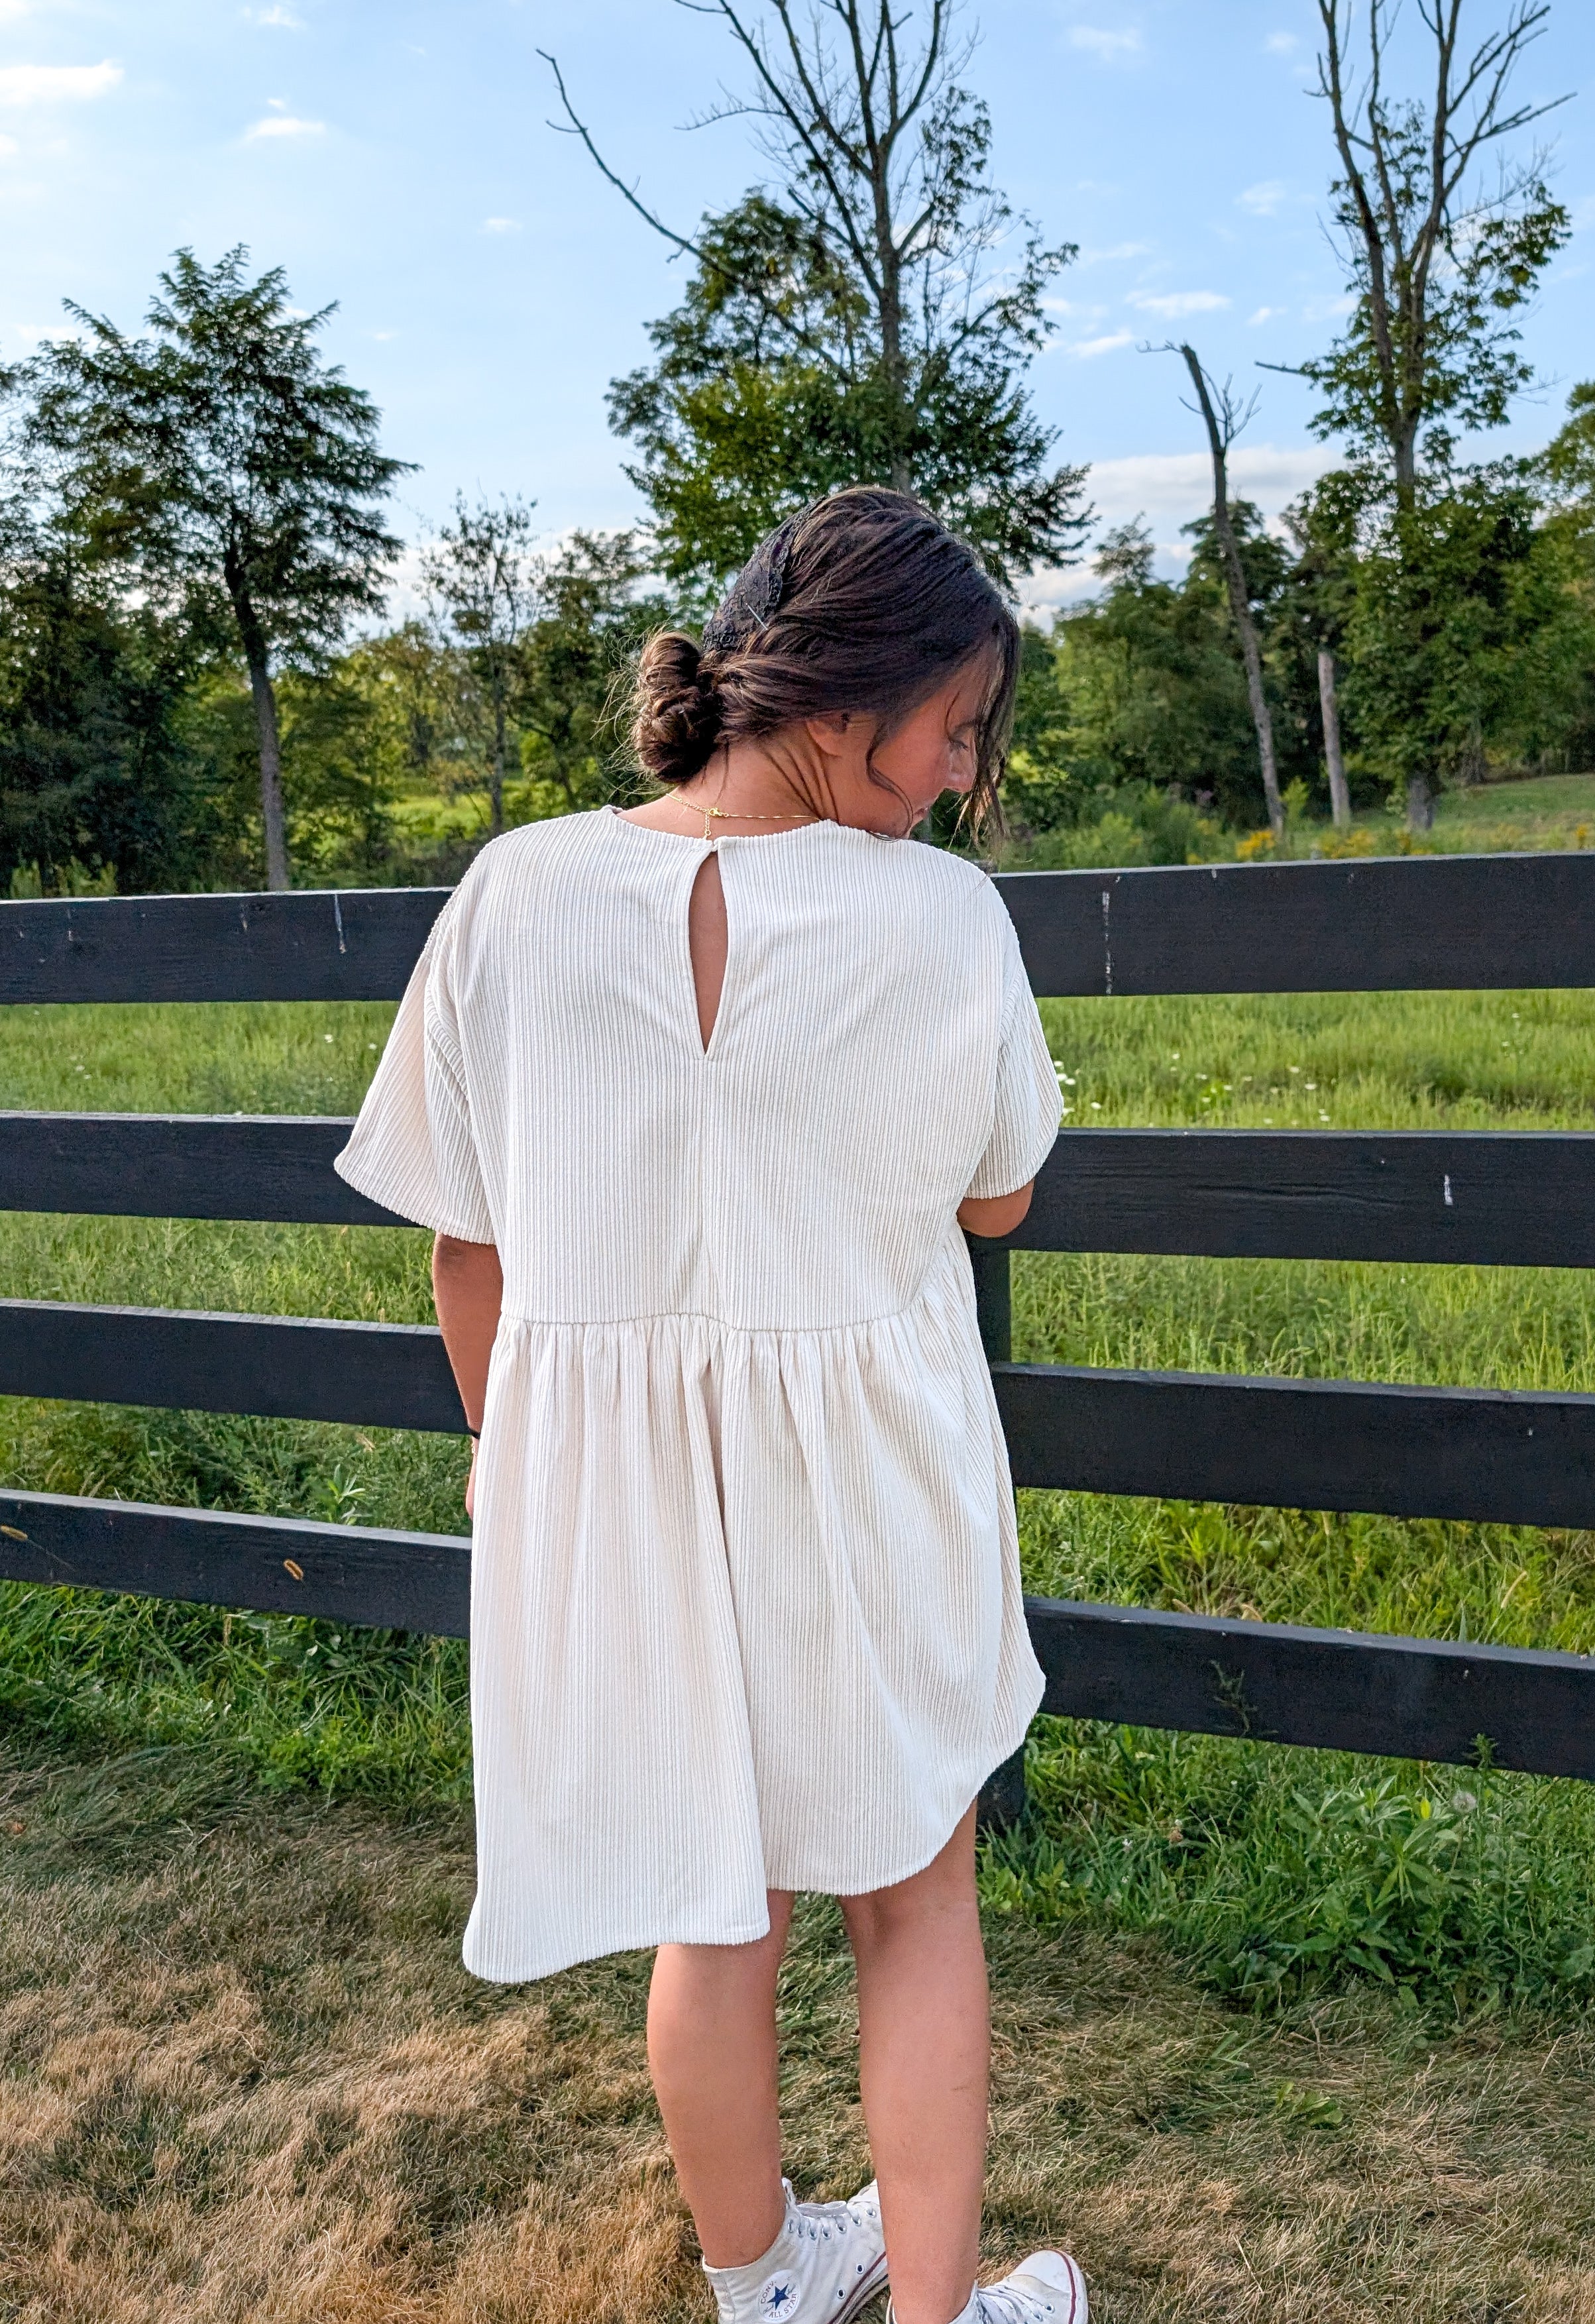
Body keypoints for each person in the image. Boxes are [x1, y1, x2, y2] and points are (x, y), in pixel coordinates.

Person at [335, 487, 1082, 2324]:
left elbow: (465, 1255)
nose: (965, 771)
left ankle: (760, 2284)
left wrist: (528, 1486)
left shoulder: (516, 887)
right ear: (852, 697)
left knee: (708, 1892)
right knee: (914, 1895)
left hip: (614, 1501)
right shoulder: (944, 922)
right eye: (959, 724)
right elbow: (1002, 1196)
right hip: (875, 1483)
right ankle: (933, 2313)